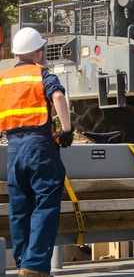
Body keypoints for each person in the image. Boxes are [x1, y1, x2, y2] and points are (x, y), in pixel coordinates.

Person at [0, 27, 74, 277]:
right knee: (45, 204)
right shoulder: (42, 74)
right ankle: (35, 267)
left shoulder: (4, 79)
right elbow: (58, 97)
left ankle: (22, 263)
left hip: (13, 149)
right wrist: (66, 130)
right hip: (40, 146)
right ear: (38, 52)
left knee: (19, 208)